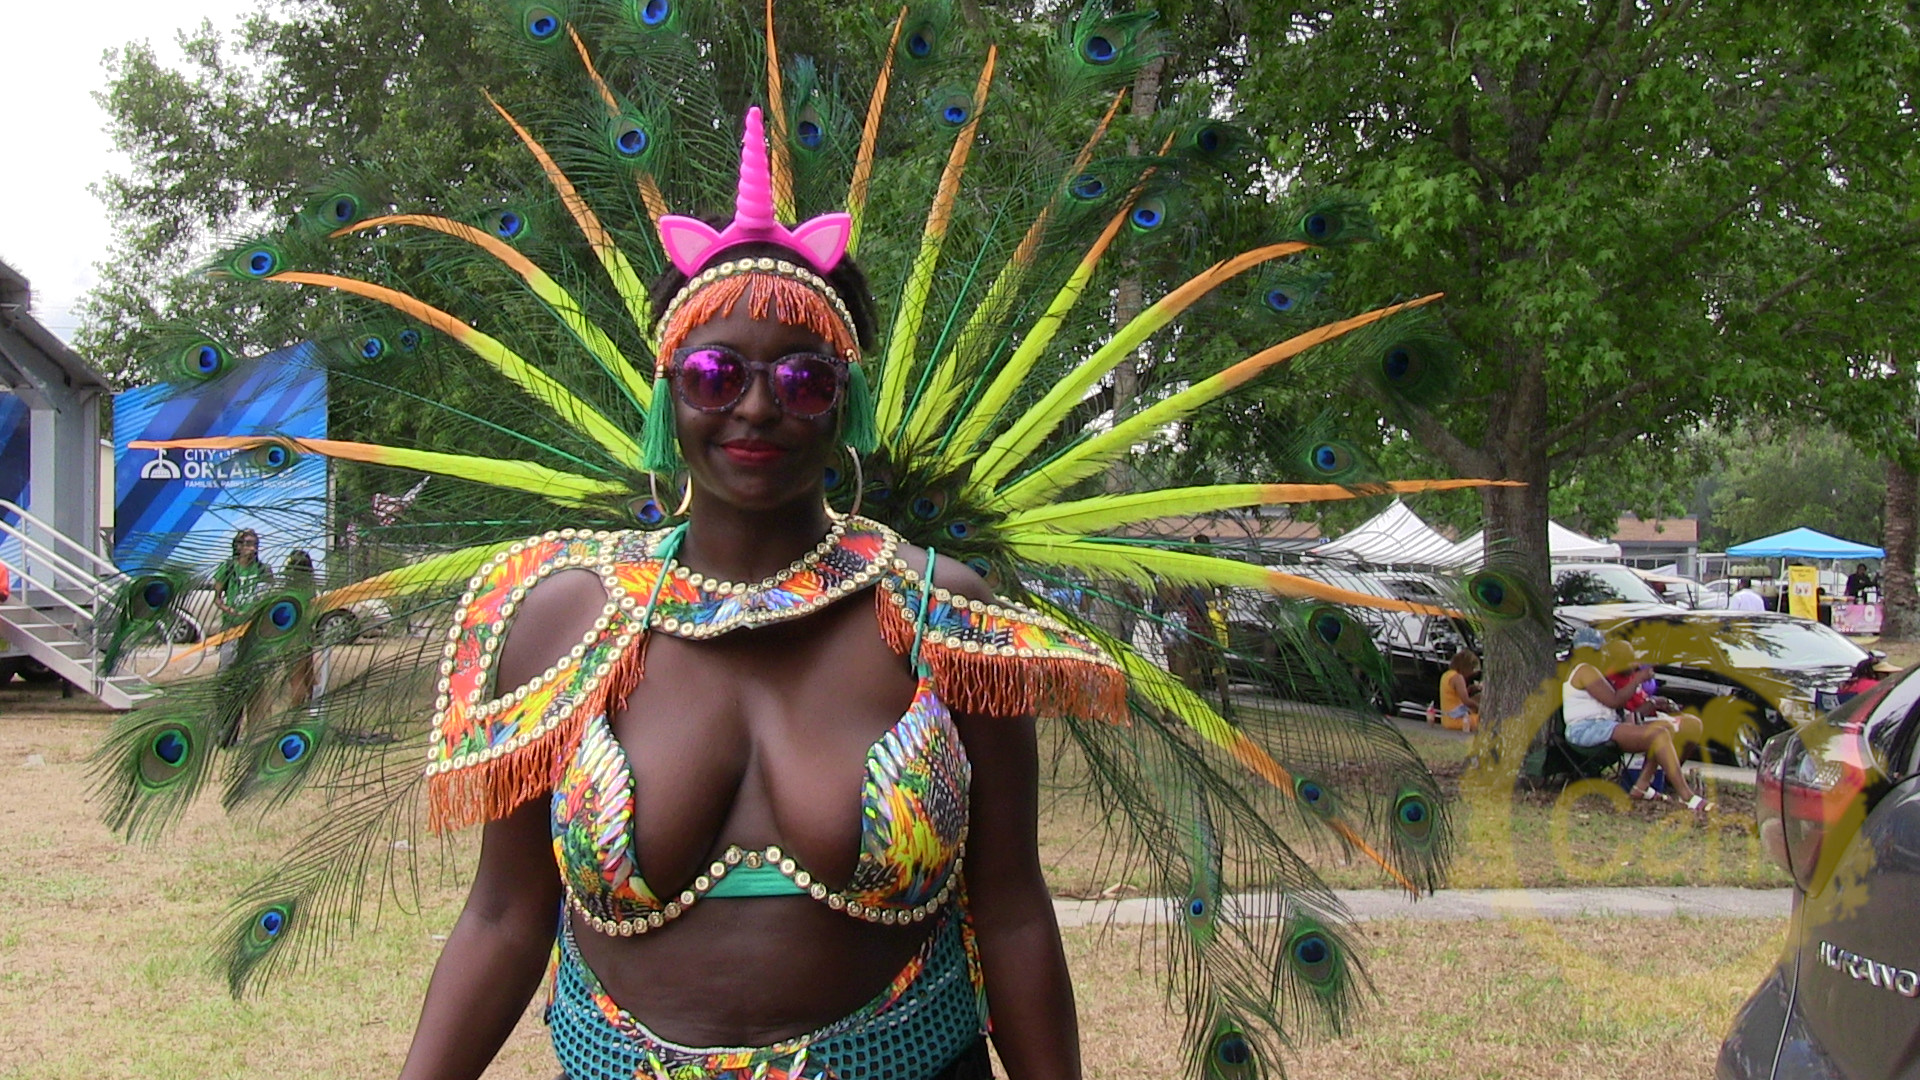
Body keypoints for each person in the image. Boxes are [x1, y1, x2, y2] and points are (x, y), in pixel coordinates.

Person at [399, 117, 1082, 1080]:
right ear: (667, 394)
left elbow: (1010, 910)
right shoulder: (560, 621)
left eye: (802, 380)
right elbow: (506, 916)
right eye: (716, 375)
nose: (756, 407)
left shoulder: (944, 619)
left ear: (845, 402)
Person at [1562, 632, 1713, 812]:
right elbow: (1615, 700)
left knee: (1666, 727)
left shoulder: (1591, 669)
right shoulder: (1585, 670)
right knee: (1658, 734)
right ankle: (1686, 796)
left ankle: (1642, 786)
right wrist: (1638, 679)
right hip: (1588, 729)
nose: (1602, 655)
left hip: (1602, 726)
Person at [212, 528, 273, 667]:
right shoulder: (227, 567)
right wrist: (229, 610)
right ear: (239, 546)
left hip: (255, 623)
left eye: (256, 544)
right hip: (232, 623)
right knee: (228, 662)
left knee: (256, 664)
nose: (253, 548)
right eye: (249, 544)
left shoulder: (263, 569)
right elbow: (217, 598)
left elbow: (270, 594)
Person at [1436, 648, 1481, 732]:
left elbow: (1455, 695)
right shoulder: (1458, 677)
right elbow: (1466, 701)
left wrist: (1469, 689)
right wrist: (1480, 708)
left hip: (1446, 719)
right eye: (1471, 669)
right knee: (1487, 721)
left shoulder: (1446, 675)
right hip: (1457, 719)